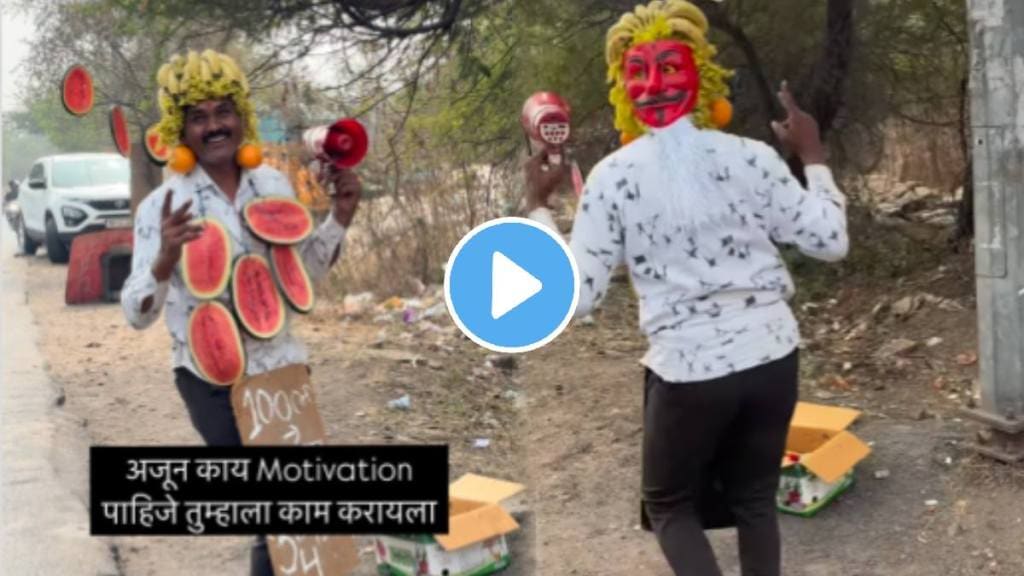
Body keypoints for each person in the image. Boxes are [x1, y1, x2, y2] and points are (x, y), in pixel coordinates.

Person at [523, 2, 848, 575]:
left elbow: (574, 297)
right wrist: (813, 155)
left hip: (688, 372)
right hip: (773, 356)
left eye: (667, 68)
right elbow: (828, 239)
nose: (652, 85)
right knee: (753, 502)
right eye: (641, 71)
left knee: (670, 505)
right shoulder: (753, 158)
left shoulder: (613, 179)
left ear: (699, 73)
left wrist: (538, 208)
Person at [120, 49, 362, 576]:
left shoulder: (274, 186)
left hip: (281, 367)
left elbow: (305, 278)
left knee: (299, 518)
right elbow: (135, 314)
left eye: (222, 113)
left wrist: (340, 218)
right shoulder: (159, 208)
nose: (213, 127)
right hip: (210, 379)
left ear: (240, 118)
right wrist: (164, 258)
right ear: (178, 128)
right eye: (198, 117)